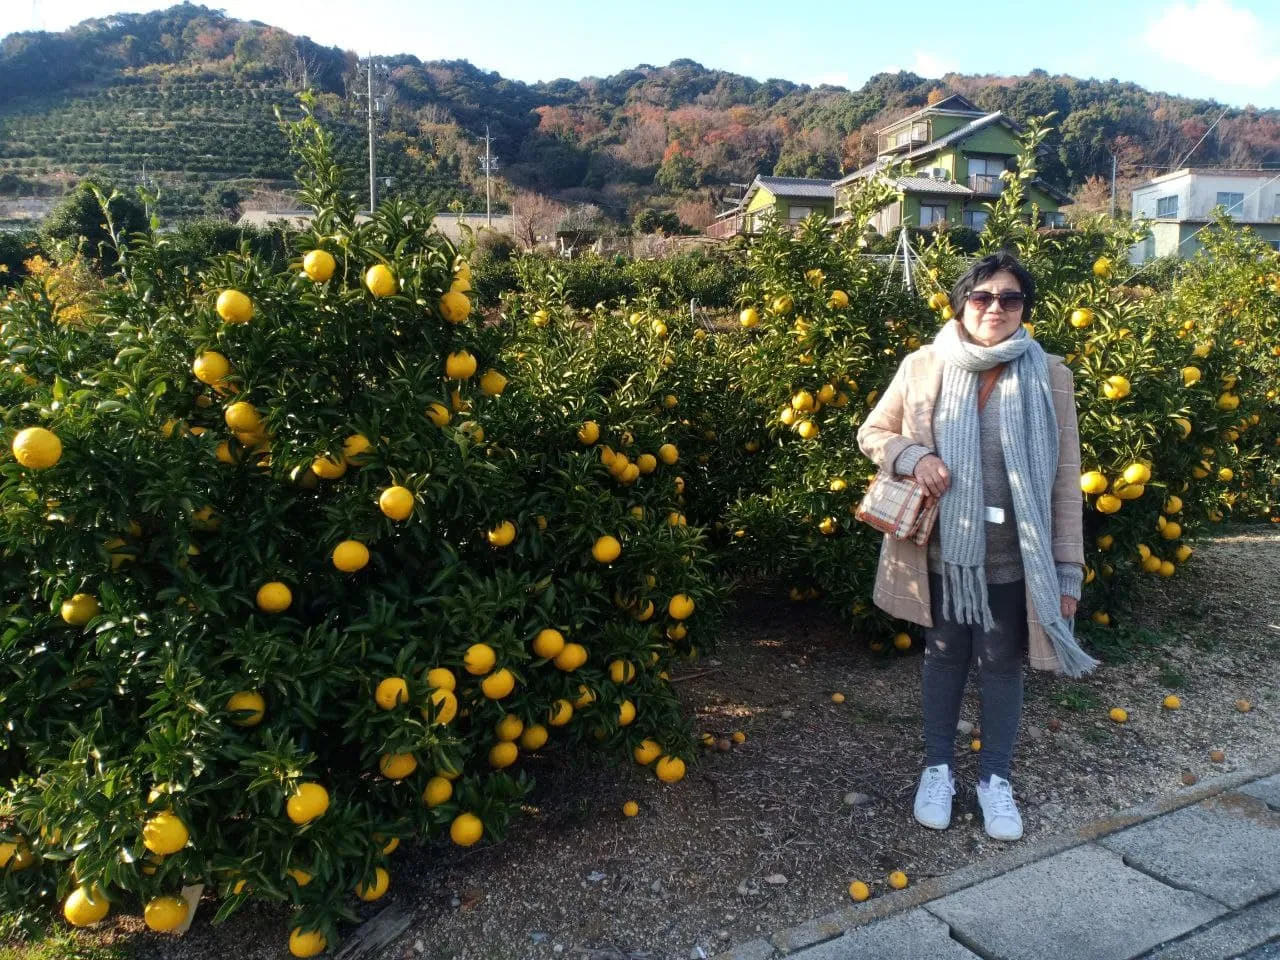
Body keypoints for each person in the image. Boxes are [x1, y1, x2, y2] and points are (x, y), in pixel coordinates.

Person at [856, 250, 1094, 842]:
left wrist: (1068, 572)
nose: (995, 308)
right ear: (963, 302)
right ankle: (937, 768)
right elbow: (874, 433)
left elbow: (1067, 480)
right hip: (941, 553)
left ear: (1024, 309)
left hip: (1016, 556)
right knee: (943, 657)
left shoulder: (1050, 374)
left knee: (1002, 665)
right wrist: (916, 456)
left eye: (1010, 299)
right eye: (984, 296)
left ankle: (995, 780)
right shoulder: (923, 365)